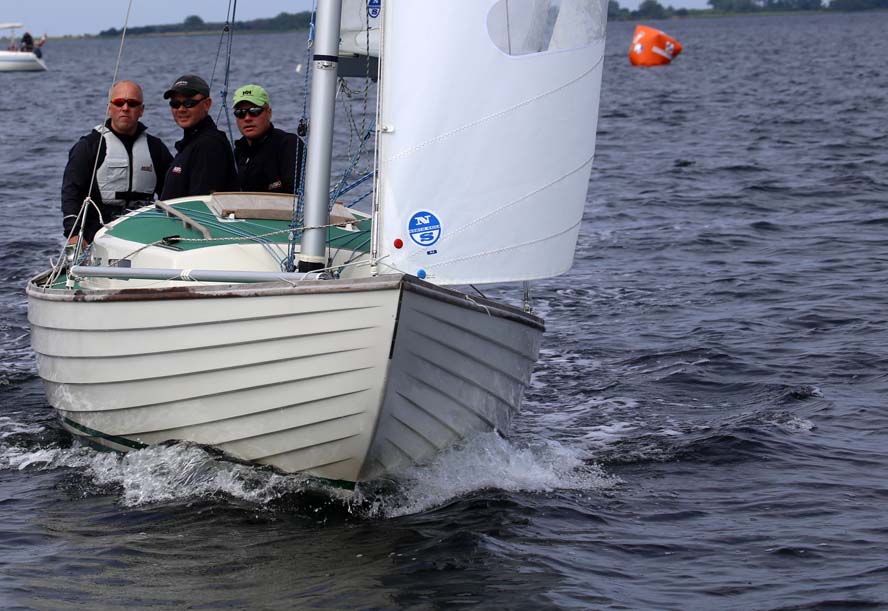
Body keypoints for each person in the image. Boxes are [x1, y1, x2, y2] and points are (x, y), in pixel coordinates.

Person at [61, 80, 173, 245]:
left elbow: (171, 193)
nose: (125, 108)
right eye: (119, 103)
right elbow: (71, 193)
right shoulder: (89, 147)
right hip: (98, 235)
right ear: (109, 108)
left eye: (132, 104)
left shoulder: (156, 149)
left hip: (145, 234)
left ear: (141, 110)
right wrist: (74, 233)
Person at [160, 74, 237, 200]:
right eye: (175, 104)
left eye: (189, 103)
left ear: (207, 104)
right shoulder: (189, 144)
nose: (181, 109)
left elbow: (201, 206)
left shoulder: (208, 145)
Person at [231, 84, 305, 194]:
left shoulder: (289, 145)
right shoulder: (238, 152)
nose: (247, 118)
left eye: (254, 111)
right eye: (240, 113)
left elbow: (298, 196)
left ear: (269, 113)